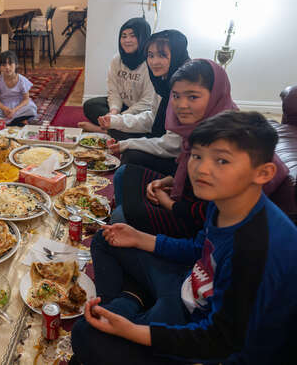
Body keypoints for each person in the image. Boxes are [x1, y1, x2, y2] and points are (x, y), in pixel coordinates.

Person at [70, 111, 297, 365]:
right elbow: (199, 249)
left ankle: (128, 308)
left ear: (263, 173)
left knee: (85, 336)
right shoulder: (224, 201)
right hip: (186, 284)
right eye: (197, 156)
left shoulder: (257, 249)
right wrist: (140, 238)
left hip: (201, 334)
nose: (201, 169)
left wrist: (131, 331)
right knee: (108, 237)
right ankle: (125, 307)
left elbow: (220, 342)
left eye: (221, 161)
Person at [113, 59, 288, 239]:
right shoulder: (202, 125)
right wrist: (170, 181)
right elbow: (189, 171)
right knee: (124, 173)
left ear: (215, 95)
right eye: (176, 96)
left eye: (193, 97)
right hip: (186, 195)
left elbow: (208, 212)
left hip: (197, 226)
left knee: (121, 215)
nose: (181, 105)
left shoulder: (229, 137)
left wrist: (169, 203)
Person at [100, 30, 190, 176]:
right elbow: (152, 119)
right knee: (115, 129)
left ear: (177, 55)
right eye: (150, 55)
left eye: (162, 55)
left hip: (182, 159)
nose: (154, 62)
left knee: (131, 156)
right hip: (160, 138)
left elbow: (174, 145)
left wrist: (129, 143)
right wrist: (116, 120)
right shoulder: (162, 83)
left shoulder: (183, 91)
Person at [79, 17, 154, 139]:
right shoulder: (117, 59)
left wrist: (118, 119)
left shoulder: (151, 63)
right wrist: (113, 111)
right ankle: (113, 129)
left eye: (132, 36)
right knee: (91, 105)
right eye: (123, 36)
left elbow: (147, 102)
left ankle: (102, 130)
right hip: (124, 106)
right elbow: (113, 91)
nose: (127, 40)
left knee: (150, 127)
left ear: (143, 38)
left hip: (142, 112)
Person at [0, 50, 37, 126]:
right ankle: (17, 121)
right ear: (0, 67)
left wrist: (14, 110)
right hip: (3, 107)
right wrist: (5, 109)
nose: (7, 67)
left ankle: (5, 121)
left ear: (16, 65)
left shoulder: (22, 80)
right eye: (4, 65)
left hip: (18, 107)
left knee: (31, 109)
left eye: (10, 64)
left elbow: (26, 99)